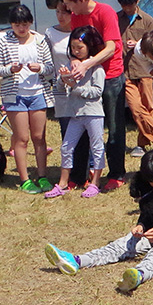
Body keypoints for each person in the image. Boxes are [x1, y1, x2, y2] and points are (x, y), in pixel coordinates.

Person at [44, 148, 153, 293]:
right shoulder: (152, 184)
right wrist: (141, 225)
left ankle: (138, 275)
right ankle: (78, 260)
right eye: (152, 183)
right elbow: (151, 211)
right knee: (121, 245)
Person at [61, 0, 127, 190]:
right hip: (86, 76)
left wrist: (87, 64)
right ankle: (79, 175)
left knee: (114, 127)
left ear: (81, 0)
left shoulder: (105, 12)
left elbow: (111, 47)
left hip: (110, 76)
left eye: (69, 4)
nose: (68, 9)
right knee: (81, 122)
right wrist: (75, 61)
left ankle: (116, 173)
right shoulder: (76, 16)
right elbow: (75, 45)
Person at [0, 4, 54, 194]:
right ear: (11, 24)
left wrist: (40, 68)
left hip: (38, 93)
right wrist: (10, 69)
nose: (21, 28)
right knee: (22, 138)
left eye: (25, 24)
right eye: (17, 25)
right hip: (15, 95)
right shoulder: (2, 42)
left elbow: (50, 67)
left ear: (30, 23)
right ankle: (25, 179)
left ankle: (42, 175)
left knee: (39, 137)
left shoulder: (40, 40)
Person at [44, 26, 106, 199]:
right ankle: (63, 183)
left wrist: (75, 87)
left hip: (93, 113)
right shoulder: (69, 65)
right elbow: (59, 87)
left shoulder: (96, 68)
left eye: (80, 47)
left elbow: (97, 92)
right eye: (73, 48)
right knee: (66, 147)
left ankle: (95, 182)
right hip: (75, 114)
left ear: (89, 47)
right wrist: (63, 79)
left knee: (97, 147)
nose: (76, 51)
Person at [46, 0, 88, 187]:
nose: (60, 16)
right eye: (57, 12)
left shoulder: (81, 32)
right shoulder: (50, 33)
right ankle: (70, 174)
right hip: (61, 88)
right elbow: (47, 60)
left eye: (65, 12)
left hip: (82, 86)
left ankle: (86, 171)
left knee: (86, 130)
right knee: (67, 131)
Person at [117, 0, 153, 158]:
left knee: (148, 107)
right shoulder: (116, 18)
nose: (127, 8)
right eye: (124, 5)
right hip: (125, 71)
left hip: (146, 70)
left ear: (137, 2)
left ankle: (142, 144)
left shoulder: (147, 20)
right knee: (135, 107)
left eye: (130, 4)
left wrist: (140, 44)